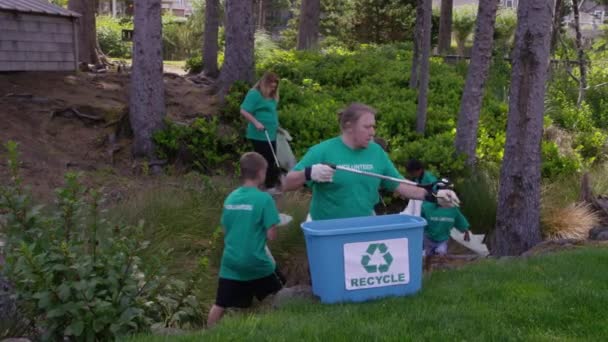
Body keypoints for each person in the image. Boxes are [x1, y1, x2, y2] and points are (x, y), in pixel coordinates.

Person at [283, 103, 433, 221]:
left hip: (364, 225)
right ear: (349, 126)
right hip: (326, 228)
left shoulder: (376, 152)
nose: (373, 132)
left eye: (373, 126)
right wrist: (309, 173)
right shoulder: (322, 151)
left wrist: (434, 195)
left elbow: (399, 184)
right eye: (367, 127)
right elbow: (285, 183)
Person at [207, 152, 284, 327]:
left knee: (220, 304)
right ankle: (280, 325)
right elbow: (271, 236)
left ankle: (208, 333)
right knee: (282, 292)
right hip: (256, 261)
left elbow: (226, 229)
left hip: (231, 262)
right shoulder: (264, 199)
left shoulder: (230, 198)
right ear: (261, 173)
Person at [240, 72, 281, 193]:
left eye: (275, 87)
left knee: (272, 158)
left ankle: (270, 184)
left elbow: (272, 113)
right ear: (264, 84)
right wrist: (256, 123)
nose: (273, 89)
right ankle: (267, 186)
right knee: (266, 159)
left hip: (272, 133)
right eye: (271, 86)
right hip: (259, 134)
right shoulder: (254, 94)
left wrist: (277, 126)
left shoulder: (272, 97)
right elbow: (244, 111)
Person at [421, 199, 470, 269]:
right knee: (429, 255)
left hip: (443, 238)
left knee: (442, 252)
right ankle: (427, 267)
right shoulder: (427, 207)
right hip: (429, 237)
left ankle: (440, 268)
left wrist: (466, 231)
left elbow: (460, 220)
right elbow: (421, 218)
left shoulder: (453, 210)